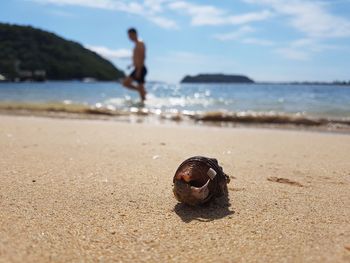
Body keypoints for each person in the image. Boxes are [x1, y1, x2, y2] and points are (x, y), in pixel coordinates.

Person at [122, 28, 147, 102]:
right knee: (138, 87)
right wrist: (132, 64)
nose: (129, 38)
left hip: (140, 68)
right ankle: (143, 103)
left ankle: (143, 103)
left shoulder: (140, 43)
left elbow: (142, 56)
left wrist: (139, 70)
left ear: (134, 34)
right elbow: (137, 58)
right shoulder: (137, 44)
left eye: (130, 35)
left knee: (126, 83)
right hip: (138, 68)